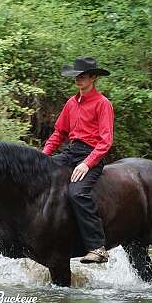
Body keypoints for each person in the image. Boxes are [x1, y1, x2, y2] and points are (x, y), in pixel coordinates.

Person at [42, 57, 114, 264]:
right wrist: (43, 156)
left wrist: (87, 163)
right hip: (71, 152)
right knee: (38, 177)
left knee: (77, 192)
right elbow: (59, 133)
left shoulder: (103, 104)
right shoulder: (71, 103)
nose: (78, 79)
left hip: (91, 155)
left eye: (82, 76)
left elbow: (105, 141)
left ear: (93, 77)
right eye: (76, 76)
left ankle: (98, 248)